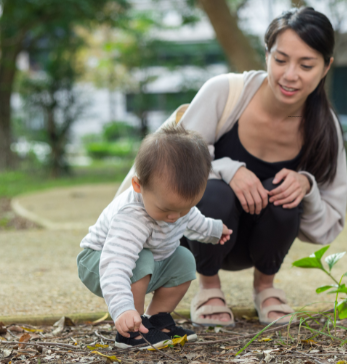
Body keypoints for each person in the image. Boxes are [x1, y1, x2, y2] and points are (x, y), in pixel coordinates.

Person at [178, 7, 347, 326]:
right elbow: (175, 166)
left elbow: (327, 227)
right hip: (198, 234)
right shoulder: (224, 92)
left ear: (326, 67)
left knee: (284, 195)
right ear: (266, 55)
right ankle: (208, 288)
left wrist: (307, 187)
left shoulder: (325, 128)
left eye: (306, 64)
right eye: (281, 60)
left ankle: (265, 287)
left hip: (259, 246)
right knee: (215, 193)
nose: (290, 75)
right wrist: (228, 169)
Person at [77, 124, 233, 348]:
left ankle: (155, 321)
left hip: (141, 263)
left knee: (183, 258)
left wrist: (215, 230)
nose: (174, 217)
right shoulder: (132, 216)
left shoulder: (176, 208)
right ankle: (131, 330)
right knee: (143, 258)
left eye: (183, 208)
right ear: (138, 185)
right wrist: (122, 308)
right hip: (99, 262)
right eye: (166, 209)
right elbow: (116, 265)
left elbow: (195, 221)